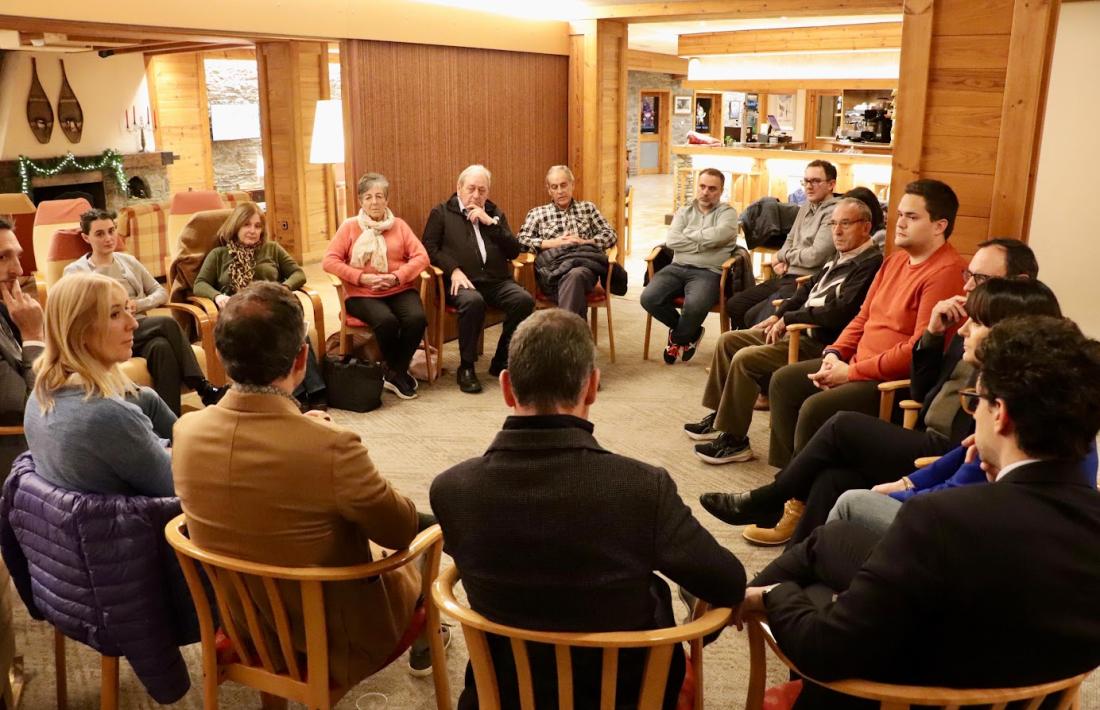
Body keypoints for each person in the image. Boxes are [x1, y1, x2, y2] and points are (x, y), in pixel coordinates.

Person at [736, 316, 1100, 708]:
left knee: (813, 590)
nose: (971, 416)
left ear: (1001, 414)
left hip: (909, 695)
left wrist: (777, 595)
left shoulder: (939, 519)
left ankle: (734, 600)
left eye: (973, 401)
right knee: (831, 539)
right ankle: (736, 594)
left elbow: (824, 650)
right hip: (1024, 690)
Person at [431, 308, 746, 709]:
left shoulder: (451, 490)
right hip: (626, 698)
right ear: (592, 387)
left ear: (507, 388)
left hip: (502, 696)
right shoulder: (642, 488)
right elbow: (728, 582)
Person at [172, 282, 443, 686]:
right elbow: (401, 531)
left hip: (242, 625)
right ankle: (430, 639)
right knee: (430, 540)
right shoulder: (329, 446)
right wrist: (319, 438)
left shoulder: (186, 431)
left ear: (219, 355)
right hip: (328, 639)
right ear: (302, 358)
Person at [701, 278, 1063, 547]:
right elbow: (920, 390)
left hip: (936, 452)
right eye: (969, 275)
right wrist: (934, 334)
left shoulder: (1012, 389)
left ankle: (771, 499)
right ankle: (790, 570)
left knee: (841, 424)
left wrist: (909, 485)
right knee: (833, 476)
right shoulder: (966, 346)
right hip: (925, 436)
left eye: (979, 280)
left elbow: (966, 465)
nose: (966, 289)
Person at [765, 179, 967, 471]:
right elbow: (862, 318)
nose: (900, 224)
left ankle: (796, 495)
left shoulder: (946, 272)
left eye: (912, 217)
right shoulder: (894, 262)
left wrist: (851, 372)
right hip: (857, 365)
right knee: (784, 381)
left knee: (814, 408)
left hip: (889, 383)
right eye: (900, 215)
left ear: (939, 226)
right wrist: (833, 354)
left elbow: (918, 349)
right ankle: (788, 480)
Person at [685, 197, 883, 464]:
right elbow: (805, 289)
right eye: (834, 223)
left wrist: (789, 318)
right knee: (729, 341)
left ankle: (735, 441)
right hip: (796, 329)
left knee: (745, 359)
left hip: (817, 341)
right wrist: (777, 316)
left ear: (865, 227)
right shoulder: (841, 255)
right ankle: (720, 417)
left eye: (845, 224)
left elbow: (839, 312)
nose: (836, 231)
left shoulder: (870, 264)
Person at [23, 272, 175, 497]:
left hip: (72, 525)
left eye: (127, 309)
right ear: (79, 330)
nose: (132, 323)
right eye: (114, 314)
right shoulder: (111, 416)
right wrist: (174, 453)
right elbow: (178, 487)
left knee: (147, 397)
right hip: (137, 528)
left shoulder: (38, 396)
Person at [65, 208, 225, 415]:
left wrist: (138, 304)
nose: (108, 238)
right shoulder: (76, 272)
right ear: (86, 237)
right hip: (107, 334)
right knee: (166, 324)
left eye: (111, 231)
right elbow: (78, 313)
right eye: (100, 233)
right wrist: (116, 310)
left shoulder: (128, 262)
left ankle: (169, 424)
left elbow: (160, 292)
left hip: (140, 330)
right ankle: (202, 386)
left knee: (162, 348)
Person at [195, 203, 326, 409]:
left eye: (258, 226)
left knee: (294, 329)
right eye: (247, 225)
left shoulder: (271, 249)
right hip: (241, 314)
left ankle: (316, 392)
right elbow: (200, 283)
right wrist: (217, 296)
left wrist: (283, 288)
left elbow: (298, 273)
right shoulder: (219, 254)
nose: (253, 231)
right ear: (236, 226)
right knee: (281, 333)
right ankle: (299, 395)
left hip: (272, 307)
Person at [423, 164, 534, 394]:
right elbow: (429, 248)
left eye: (482, 190)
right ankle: (467, 367)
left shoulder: (494, 213)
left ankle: (502, 359)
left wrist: (490, 223)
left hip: (496, 280)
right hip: (463, 282)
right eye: (471, 188)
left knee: (523, 300)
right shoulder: (441, 212)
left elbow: (514, 251)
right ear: (459, 188)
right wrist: (452, 269)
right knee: (473, 302)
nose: (476, 195)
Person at [324, 172, 429, 400]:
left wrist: (396, 277)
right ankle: (399, 372)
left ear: (386, 200)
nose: (374, 202)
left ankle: (393, 371)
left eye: (379, 196)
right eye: (369, 197)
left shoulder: (399, 226)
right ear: (361, 201)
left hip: (398, 288)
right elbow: (329, 261)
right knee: (386, 321)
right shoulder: (349, 227)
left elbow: (421, 257)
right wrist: (362, 278)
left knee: (417, 318)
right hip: (361, 293)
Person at [640, 168, 738, 364]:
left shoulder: (728, 213)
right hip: (677, 267)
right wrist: (706, 242)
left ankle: (677, 339)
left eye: (712, 188)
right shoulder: (684, 211)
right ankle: (691, 334)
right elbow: (673, 241)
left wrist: (690, 235)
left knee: (694, 306)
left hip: (708, 272)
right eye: (702, 186)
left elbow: (720, 235)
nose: (705, 192)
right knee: (649, 298)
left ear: (721, 191)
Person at [726, 160, 839, 329]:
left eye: (815, 181)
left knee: (753, 315)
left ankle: (752, 348)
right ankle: (743, 345)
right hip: (787, 275)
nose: (809, 186)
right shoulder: (807, 206)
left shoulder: (834, 212)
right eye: (806, 181)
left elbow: (816, 256)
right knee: (735, 304)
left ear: (831, 184)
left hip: (807, 281)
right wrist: (784, 256)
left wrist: (781, 256)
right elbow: (790, 239)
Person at [516, 165, 617, 319]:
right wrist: (551, 243)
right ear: (549, 190)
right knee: (573, 282)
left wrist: (585, 242)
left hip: (583, 268)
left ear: (572, 185)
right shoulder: (537, 214)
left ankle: (564, 337)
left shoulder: (588, 209)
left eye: (564, 185)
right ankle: (575, 336)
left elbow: (610, 235)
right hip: (552, 272)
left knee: (575, 275)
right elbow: (521, 240)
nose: (560, 191)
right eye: (554, 187)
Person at [0, 220, 44, 476]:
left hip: (46, 437)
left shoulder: (5, 311)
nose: (18, 269)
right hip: (21, 463)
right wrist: (33, 335)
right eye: (2, 257)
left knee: (141, 400)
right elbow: (30, 411)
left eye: (17, 256)